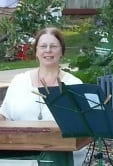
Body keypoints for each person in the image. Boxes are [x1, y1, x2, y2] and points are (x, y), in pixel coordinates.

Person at [0, 27, 83, 165]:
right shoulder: (19, 81)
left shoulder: (74, 84)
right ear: (36, 51)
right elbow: (4, 116)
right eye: (43, 46)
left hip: (60, 155)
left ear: (62, 51)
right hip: (20, 153)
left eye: (54, 46)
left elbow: (83, 126)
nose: (48, 50)